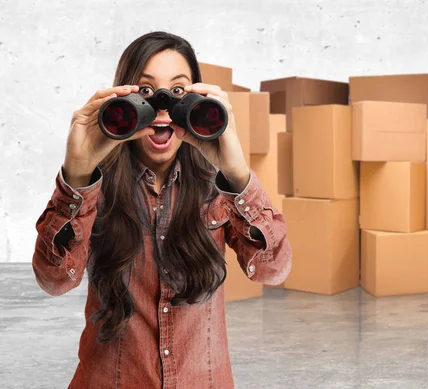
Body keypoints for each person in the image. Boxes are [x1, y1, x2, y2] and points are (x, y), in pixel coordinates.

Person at [31, 31, 292, 389]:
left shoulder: (218, 191)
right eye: (147, 93)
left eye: (179, 91)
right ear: (122, 98)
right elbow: (54, 281)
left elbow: (273, 271)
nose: (164, 106)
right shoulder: (93, 187)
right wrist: (76, 174)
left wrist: (236, 173)